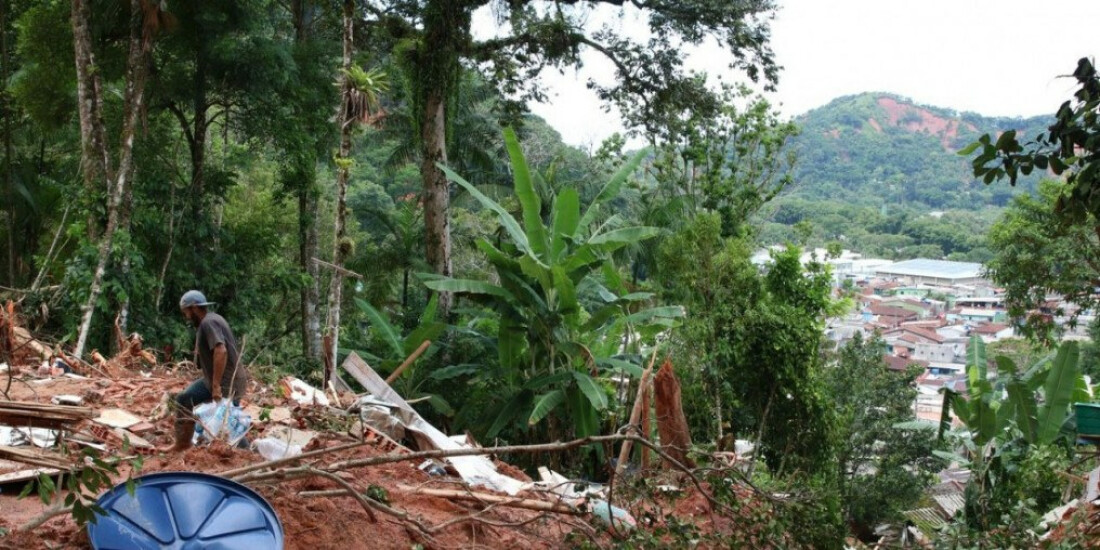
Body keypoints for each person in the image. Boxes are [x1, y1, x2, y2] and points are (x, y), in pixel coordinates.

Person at [164, 290, 249, 452]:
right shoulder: (213, 319)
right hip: (215, 380)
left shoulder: (208, 323)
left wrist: (216, 385)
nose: (186, 317)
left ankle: (247, 453)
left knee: (228, 424)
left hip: (227, 383)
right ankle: (183, 443)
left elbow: (220, 350)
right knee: (184, 399)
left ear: (194, 308)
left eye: (187, 312)